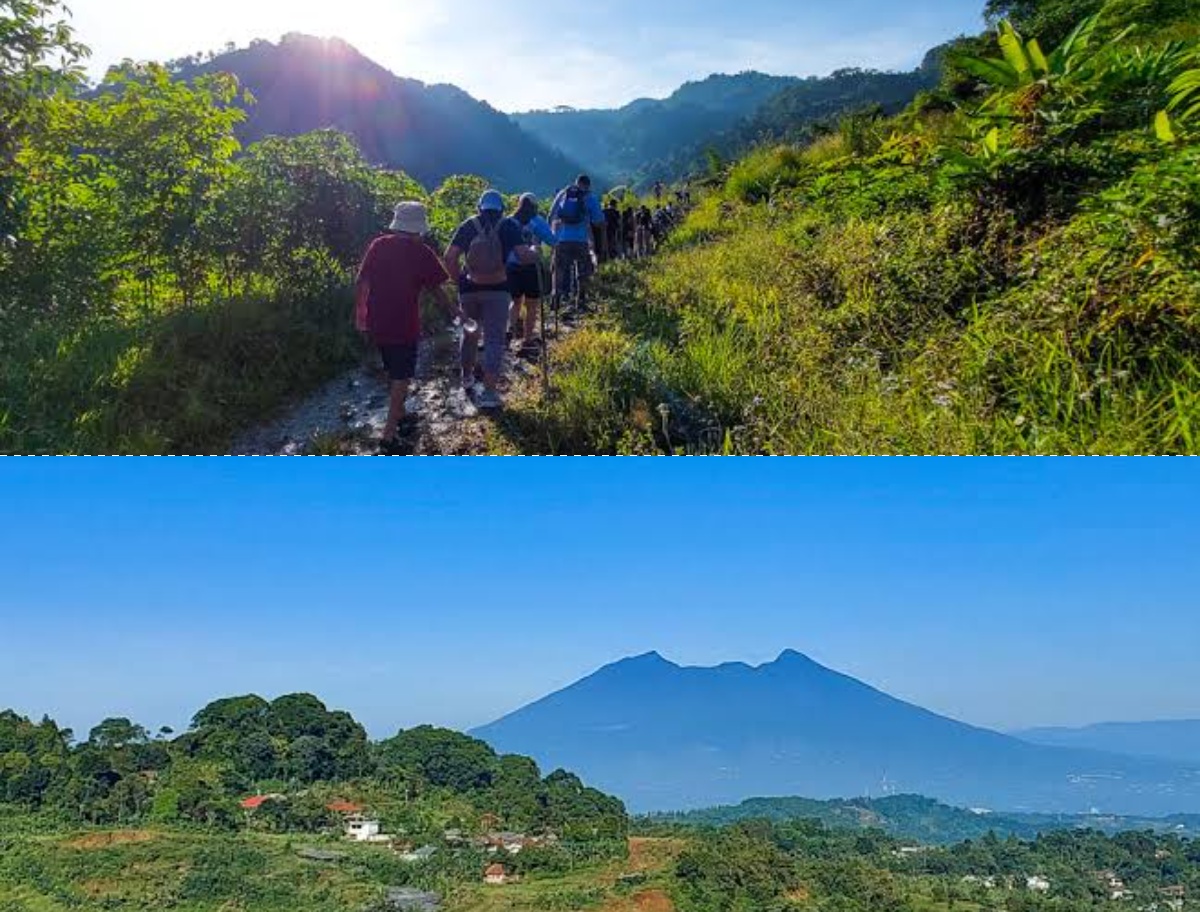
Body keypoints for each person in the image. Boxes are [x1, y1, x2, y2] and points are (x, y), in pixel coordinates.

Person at [356, 201, 459, 446]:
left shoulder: (378, 245)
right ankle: (389, 434)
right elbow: (436, 289)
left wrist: (361, 316)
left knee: (392, 369)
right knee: (402, 376)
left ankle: (400, 415)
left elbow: (362, 282)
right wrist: (455, 312)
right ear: (418, 227)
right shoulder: (421, 251)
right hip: (404, 323)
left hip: (376, 320)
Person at [445, 189, 536, 410]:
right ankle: (488, 392)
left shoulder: (468, 225)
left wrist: (460, 282)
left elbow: (449, 257)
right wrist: (534, 250)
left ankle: (467, 380)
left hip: (469, 290)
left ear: (479, 207)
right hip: (498, 289)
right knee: (494, 338)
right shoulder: (508, 226)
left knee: (469, 335)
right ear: (502, 209)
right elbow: (524, 257)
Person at [549, 174, 606, 312]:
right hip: (581, 240)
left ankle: (555, 298)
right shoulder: (590, 197)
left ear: (575, 183)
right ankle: (580, 302)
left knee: (559, 269)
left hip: (561, 240)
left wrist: (552, 237)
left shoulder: (563, 194)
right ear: (588, 185)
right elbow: (598, 220)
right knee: (582, 272)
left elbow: (551, 215)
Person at [508, 193, 556, 353]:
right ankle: (527, 340)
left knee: (515, 302)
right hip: (530, 267)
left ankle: (506, 334)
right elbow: (552, 240)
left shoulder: (510, 220)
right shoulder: (537, 221)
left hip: (511, 267)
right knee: (532, 305)